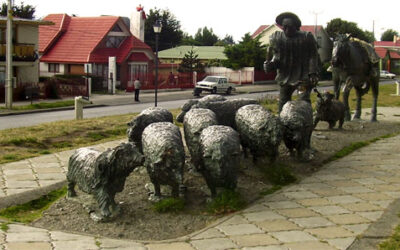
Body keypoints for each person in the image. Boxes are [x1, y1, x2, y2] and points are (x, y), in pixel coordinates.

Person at [264, 12, 319, 113]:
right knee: (283, 101)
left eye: (290, 27)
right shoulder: (277, 38)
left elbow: (313, 56)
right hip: (285, 77)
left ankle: (306, 123)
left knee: (303, 101)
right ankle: (282, 123)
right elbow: (276, 57)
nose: (287, 29)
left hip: (303, 77)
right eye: (284, 27)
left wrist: (313, 73)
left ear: (296, 26)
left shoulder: (306, 37)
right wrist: (270, 64)